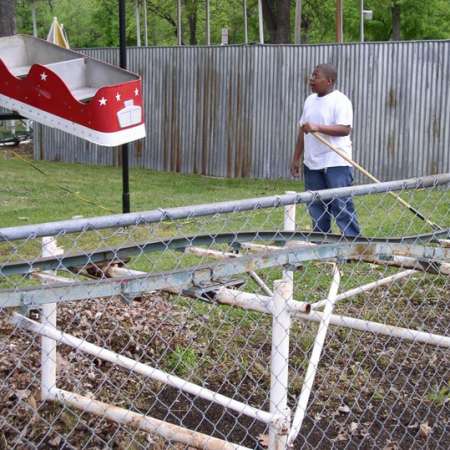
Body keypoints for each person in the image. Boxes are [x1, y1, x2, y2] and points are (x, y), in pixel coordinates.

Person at [290, 63, 361, 237]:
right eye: (311, 76)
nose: (311, 79)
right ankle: (321, 242)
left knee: (341, 204)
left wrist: (318, 127)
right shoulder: (309, 100)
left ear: (329, 81)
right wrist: (296, 158)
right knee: (316, 206)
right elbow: (303, 130)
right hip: (312, 163)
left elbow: (345, 129)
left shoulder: (341, 100)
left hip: (336, 162)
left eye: (316, 76)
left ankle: (352, 243)